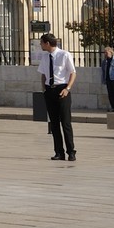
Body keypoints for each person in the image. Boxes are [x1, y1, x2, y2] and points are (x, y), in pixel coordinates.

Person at [39, 34, 77, 162]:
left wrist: (68, 88)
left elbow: (72, 73)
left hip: (62, 89)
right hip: (49, 90)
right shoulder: (44, 57)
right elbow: (43, 74)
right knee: (54, 124)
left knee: (65, 122)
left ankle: (71, 151)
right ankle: (59, 152)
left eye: (42, 43)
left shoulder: (64, 54)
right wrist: (44, 89)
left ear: (47, 43)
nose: (41, 45)